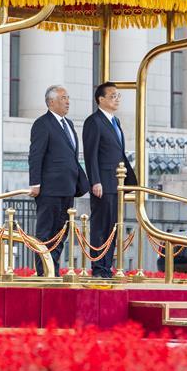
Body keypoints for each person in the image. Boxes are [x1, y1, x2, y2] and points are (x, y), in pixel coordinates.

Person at [28, 85, 88, 276]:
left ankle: (53, 269)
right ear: (51, 102)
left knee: (62, 232)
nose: (67, 101)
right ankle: (43, 272)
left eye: (68, 97)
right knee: (46, 232)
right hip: (49, 189)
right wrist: (35, 183)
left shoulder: (68, 124)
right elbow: (36, 155)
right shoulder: (42, 124)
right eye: (63, 98)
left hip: (68, 188)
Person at [83, 81, 138, 278]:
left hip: (117, 183)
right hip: (103, 184)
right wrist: (95, 181)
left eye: (118, 96)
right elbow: (91, 155)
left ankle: (107, 267)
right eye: (113, 96)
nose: (117, 99)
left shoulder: (116, 122)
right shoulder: (94, 121)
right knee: (101, 227)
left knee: (113, 226)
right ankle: (99, 269)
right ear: (101, 99)